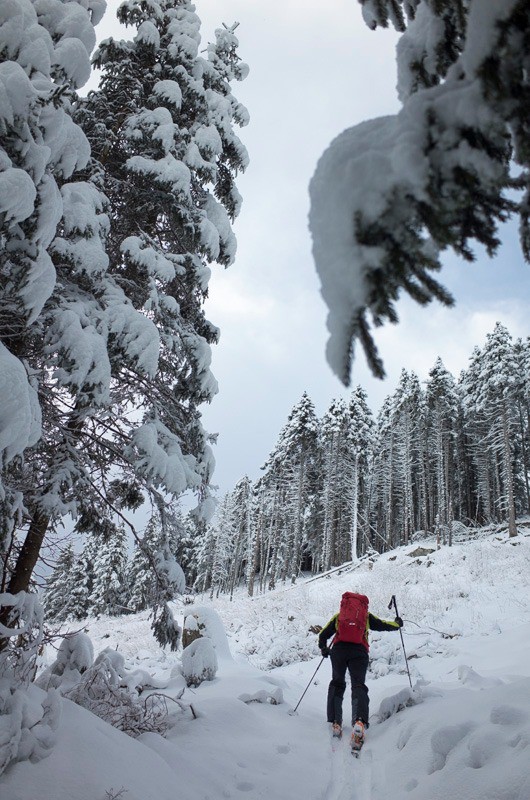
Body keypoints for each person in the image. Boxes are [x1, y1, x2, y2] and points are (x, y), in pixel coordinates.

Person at [318, 594, 403, 750]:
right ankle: (359, 721)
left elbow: (323, 634)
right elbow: (382, 624)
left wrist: (323, 648)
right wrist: (396, 624)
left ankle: (336, 722)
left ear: (345, 605)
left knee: (337, 682)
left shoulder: (339, 617)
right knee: (358, 686)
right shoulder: (365, 617)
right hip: (359, 652)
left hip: (339, 651)